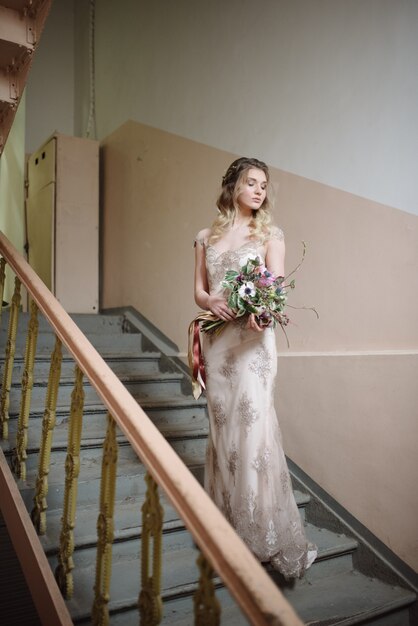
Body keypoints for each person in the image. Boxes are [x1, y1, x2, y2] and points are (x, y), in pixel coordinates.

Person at [194, 157, 317, 578]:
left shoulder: (270, 234)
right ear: (232, 186)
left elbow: (276, 284)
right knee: (224, 428)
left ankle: (260, 532)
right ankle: (227, 524)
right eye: (251, 182)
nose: (260, 190)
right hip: (217, 342)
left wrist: (262, 312)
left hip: (252, 342)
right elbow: (199, 290)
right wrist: (211, 301)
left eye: (264, 184)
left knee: (253, 425)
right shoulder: (205, 236)